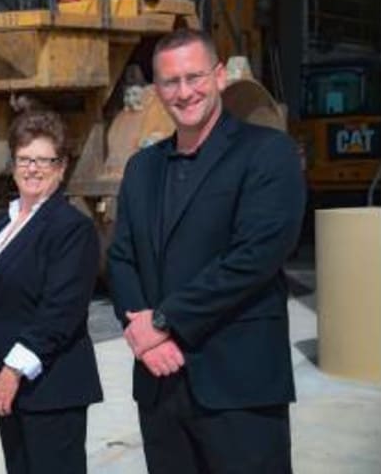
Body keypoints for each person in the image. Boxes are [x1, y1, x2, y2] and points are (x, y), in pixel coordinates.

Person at [106, 28, 306, 473]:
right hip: (161, 383)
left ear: (218, 76)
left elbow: (255, 257)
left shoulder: (267, 152)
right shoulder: (142, 168)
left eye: (194, 77)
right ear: (157, 90)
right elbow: (121, 258)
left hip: (239, 386)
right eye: (171, 82)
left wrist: (164, 321)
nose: (184, 92)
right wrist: (142, 335)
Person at [0, 110, 103, 474]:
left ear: (61, 167)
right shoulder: (3, 221)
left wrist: (12, 372)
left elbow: (60, 312)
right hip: (8, 388)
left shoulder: (72, 228)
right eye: (24, 159)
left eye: (43, 160)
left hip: (51, 389)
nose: (32, 168)